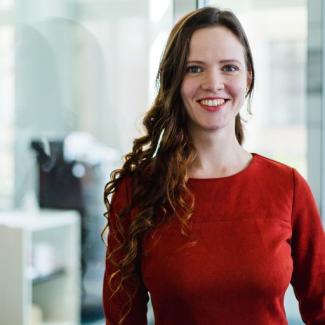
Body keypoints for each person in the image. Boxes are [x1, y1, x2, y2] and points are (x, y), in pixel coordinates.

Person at [102, 6, 325, 325]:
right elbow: (122, 317)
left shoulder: (287, 186)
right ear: (174, 80)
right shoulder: (137, 191)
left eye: (229, 67)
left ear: (248, 78)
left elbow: (321, 305)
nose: (213, 83)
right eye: (194, 68)